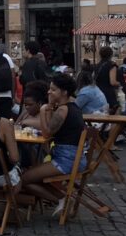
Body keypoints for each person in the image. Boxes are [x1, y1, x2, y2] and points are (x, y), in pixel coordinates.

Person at [21, 73, 87, 213]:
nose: (49, 92)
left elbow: (46, 133)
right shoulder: (72, 105)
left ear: (64, 92)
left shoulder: (63, 110)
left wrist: (44, 110)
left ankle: (61, 199)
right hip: (75, 157)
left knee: (23, 178)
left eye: (53, 89)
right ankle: (62, 199)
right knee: (33, 173)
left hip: (66, 160)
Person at [95, 46, 121, 114]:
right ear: (111, 55)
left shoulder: (97, 65)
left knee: (102, 112)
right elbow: (112, 82)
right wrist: (119, 83)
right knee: (113, 112)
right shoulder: (112, 65)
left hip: (98, 92)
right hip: (108, 92)